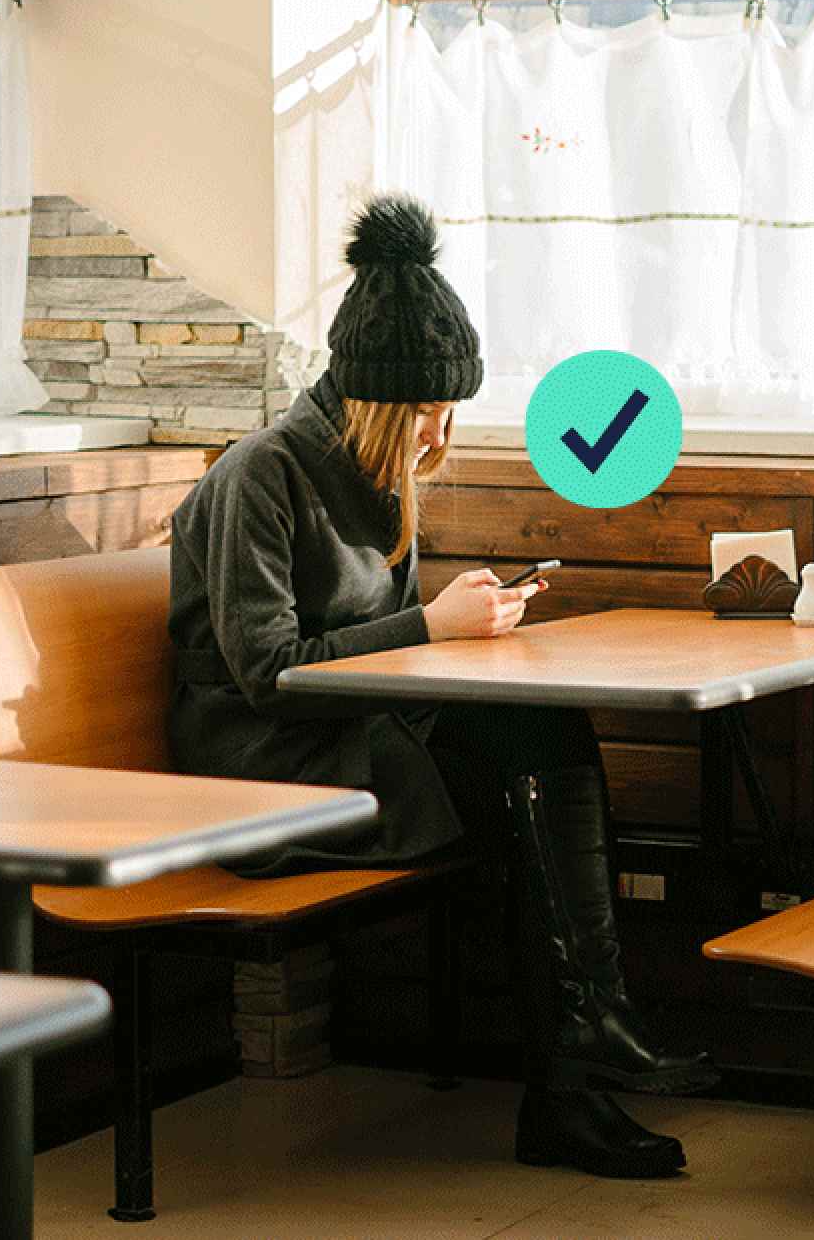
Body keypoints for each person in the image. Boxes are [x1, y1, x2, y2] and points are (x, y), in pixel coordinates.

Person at [165, 192, 713, 1179]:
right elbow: (265, 668)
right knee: (517, 792)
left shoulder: (373, 474)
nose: (440, 430)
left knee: (544, 742)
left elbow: (377, 655)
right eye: (426, 409)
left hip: (354, 737)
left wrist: (465, 629)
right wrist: (429, 625)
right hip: (263, 763)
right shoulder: (261, 474)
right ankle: (575, 1071)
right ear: (375, 399)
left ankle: (584, 1048)